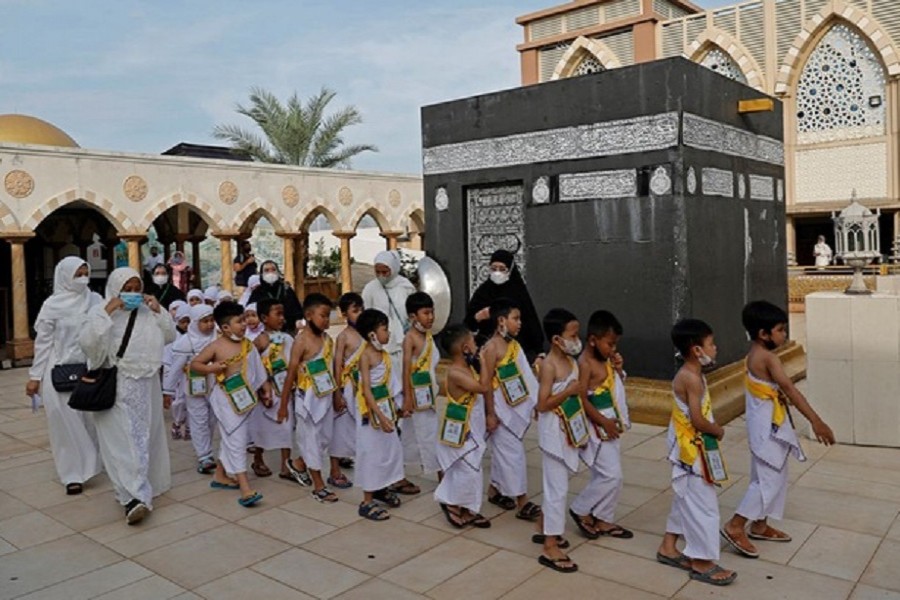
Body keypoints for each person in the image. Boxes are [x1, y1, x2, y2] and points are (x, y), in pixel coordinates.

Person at [721, 301, 835, 559]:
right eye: (781, 330)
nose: (785, 335)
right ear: (763, 334)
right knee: (769, 479)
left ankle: (759, 524)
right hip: (767, 428)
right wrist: (816, 421)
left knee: (770, 475)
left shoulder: (754, 354)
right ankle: (735, 525)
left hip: (767, 424)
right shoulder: (768, 358)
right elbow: (791, 391)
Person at [79, 267, 174, 525]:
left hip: (145, 386)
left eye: (136, 289)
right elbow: (88, 344)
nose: (132, 294)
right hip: (115, 385)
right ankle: (136, 497)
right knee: (121, 442)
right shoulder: (99, 311)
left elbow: (169, 336)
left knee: (141, 439)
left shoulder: (147, 313)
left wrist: (158, 310)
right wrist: (107, 311)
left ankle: (129, 493)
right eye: (127, 289)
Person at [656, 319, 736, 586]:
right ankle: (701, 561)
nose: (715, 348)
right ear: (695, 350)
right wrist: (718, 430)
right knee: (703, 504)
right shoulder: (691, 378)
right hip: (691, 448)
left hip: (690, 446)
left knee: (685, 497)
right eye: (711, 344)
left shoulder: (692, 374)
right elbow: (697, 420)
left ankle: (669, 546)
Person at [25, 257, 103, 495]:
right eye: (77, 274)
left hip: (88, 369)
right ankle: (72, 475)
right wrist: (34, 376)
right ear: (65, 276)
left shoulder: (95, 300)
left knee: (89, 421)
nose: (82, 278)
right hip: (56, 370)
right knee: (63, 423)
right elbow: (44, 343)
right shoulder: (52, 305)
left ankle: (92, 465)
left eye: (85, 273)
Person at [190, 301, 272, 507]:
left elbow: (257, 369)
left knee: (231, 437)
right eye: (239, 322)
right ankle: (245, 488)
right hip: (225, 399)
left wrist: (265, 387)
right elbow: (195, 364)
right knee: (237, 439)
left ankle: (220, 475)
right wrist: (212, 368)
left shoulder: (248, 345)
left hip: (244, 397)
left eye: (244, 320)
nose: (244, 324)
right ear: (225, 327)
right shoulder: (216, 346)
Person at [361, 250, 420, 496]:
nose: (382, 275)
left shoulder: (406, 288)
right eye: (378, 271)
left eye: (386, 271)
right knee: (385, 420)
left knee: (402, 415)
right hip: (381, 354)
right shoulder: (370, 289)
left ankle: (398, 471)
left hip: (401, 351)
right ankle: (388, 476)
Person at [478, 298, 541, 521]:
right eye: (515, 318)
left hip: (514, 405)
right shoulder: (490, 348)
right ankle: (522, 501)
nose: (519, 323)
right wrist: (490, 414)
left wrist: (535, 403)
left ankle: (495, 491)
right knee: (513, 455)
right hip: (499, 410)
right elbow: (485, 385)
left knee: (504, 453)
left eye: (520, 319)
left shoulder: (514, 346)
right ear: (501, 320)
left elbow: (526, 377)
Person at [572, 310, 633, 538]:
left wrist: (617, 369)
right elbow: (581, 399)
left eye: (615, 344)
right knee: (611, 476)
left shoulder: (605, 360)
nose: (613, 349)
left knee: (611, 475)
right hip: (598, 427)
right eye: (610, 344)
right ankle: (580, 508)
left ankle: (604, 518)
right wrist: (603, 422)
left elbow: (614, 384)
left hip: (611, 425)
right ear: (592, 340)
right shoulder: (585, 363)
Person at [535, 308, 585, 573]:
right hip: (553, 430)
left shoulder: (572, 362)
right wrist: (567, 391)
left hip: (569, 428)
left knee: (558, 483)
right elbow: (542, 404)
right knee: (557, 489)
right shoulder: (549, 366)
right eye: (573, 335)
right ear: (557, 339)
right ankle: (550, 544)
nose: (577, 339)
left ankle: (543, 524)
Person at [278, 293, 340, 503]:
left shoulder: (327, 340)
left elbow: (333, 370)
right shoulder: (301, 341)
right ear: (309, 315)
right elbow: (291, 374)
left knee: (325, 438)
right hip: (307, 399)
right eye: (322, 316)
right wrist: (283, 405)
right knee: (311, 439)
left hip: (326, 396)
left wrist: (337, 395)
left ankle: (298, 463)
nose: (326, 321)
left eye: (328, 316)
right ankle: (319, 485)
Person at [434, 324, 491, 528]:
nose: (477, 345)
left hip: (473, 423)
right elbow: (483, 387)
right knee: (467, 469)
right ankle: (452, 503)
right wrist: (484, 362)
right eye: (473, 342)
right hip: (462, 426)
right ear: (465, 348)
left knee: (473, 468)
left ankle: (467, 507)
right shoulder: (456, 372)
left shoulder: (467, 367)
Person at [355, 308, 405, 521]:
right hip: (372, 412)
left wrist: (395, 407)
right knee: (372, 454)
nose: (389, 333)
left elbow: (389, 384)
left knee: (388, 451)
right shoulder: (365, 356)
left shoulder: (384, 355)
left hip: (386, 407)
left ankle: (381, 488)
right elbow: (366, 390)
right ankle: (366, 501)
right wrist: (381, 416)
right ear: (372, 334)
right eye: (385, 329)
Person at [163, 304, 219, 474]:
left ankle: (207, 448)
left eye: (211, 320)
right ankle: (204, 455)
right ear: (195, 323)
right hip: (194, 387)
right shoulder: (185, 343)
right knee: (198, 419)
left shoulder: (218, 338)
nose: (209, 325)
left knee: (211, 419)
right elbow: (174, 369)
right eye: (205, 321)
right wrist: (168, 391)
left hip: (216, 385)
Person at [248, 298, 296, 480]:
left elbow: (293, 361)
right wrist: (261, 387)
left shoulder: (288, 338)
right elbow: (252, 365)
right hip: (266, 391)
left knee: (286, 426)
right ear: (264, 318)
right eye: (278, 314)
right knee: (262, 427)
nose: (282, 318)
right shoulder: (259, 341)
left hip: (284, 388)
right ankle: (258, 458)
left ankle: (286, 465)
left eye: (283, 314)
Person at [465, 250, 543, 361]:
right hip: (487, 346)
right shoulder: (483, 292)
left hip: (517, 346)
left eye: (502, 269)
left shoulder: (518, 292)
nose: (497, 273)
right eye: (493, 268)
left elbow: (530, 321)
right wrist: (478, 317)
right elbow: (468, 324)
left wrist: (539, 350)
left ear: (510, 270)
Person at [400, 292, 441, 482]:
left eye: (432, 312)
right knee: (423, 435)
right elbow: (406, 369)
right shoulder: (410, 339)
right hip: (416, 396)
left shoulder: (429, 337)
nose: (430, 317)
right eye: (426, 313)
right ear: (413, 316)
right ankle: (441, 473)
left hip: (428, 395)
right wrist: (408, 398)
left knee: (421, 435)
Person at [330, 292, 366, 489]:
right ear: (344, 314)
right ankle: (334, 469)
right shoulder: (343, 337)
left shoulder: (366, 333)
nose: (359, 314)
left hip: (362, 387)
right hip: (347, 388)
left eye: (361, 310)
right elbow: (337, 366)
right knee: (341, 429)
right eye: (354, 311)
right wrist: (337, 393)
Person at [249, 260, 304, 334]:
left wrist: (297, 321)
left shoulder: (286, 289)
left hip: (287, 330)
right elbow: (251, 311)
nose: (270, 272)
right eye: (267, 270)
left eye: (273, 269)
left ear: (278, 272)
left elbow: (297, 310)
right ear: (261, 274)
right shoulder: (257, 292)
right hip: (265, 332)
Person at [164, 302, 192, 440]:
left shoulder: (194, 335)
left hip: (191, 373)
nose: (186, 325)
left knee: (191, 400)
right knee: (178, 402)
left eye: (189, 321)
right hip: (175, 374)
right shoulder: (172, 335)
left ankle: (188, 426)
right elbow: (167, 357)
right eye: (183, 321)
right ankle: (177, 423)